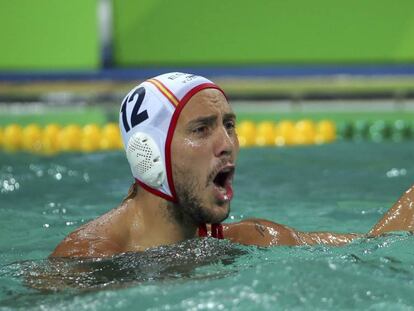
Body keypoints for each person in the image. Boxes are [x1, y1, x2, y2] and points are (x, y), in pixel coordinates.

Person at [51, 72, 414, 258]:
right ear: (149, 154)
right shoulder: (87, 262)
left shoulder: (245, 240)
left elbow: (375, 245)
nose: (227, 145)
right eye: (201, 128)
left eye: (228, 125)